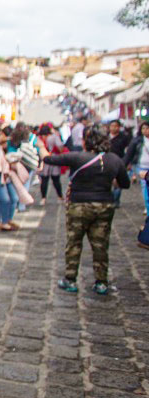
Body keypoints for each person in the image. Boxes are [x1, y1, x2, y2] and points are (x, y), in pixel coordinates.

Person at [39, 125, 130, 295]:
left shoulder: (77, 157)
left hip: (79, 205)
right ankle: (101, 282)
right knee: (101, 244)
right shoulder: (114, 160)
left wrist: (40, 146)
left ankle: (70, 279)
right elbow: (125, 183)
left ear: (86, 141)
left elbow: (49, 159)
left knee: (74, 242)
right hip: (104, 205)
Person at [124, 121, 149, 214]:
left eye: (147, 128)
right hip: (142, 167)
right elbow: (129, 154)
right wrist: (124, 165)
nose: (145, 130)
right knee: (145, 189)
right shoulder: (138, 140)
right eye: (143, 128)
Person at [37, 125, 65, 205]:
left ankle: (43, 198)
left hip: (44, 158)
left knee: (44, 180)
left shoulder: (40, 138)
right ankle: (60, 197)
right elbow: (60, 147)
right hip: (54, 158)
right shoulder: (54, 137)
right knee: (56, 180)